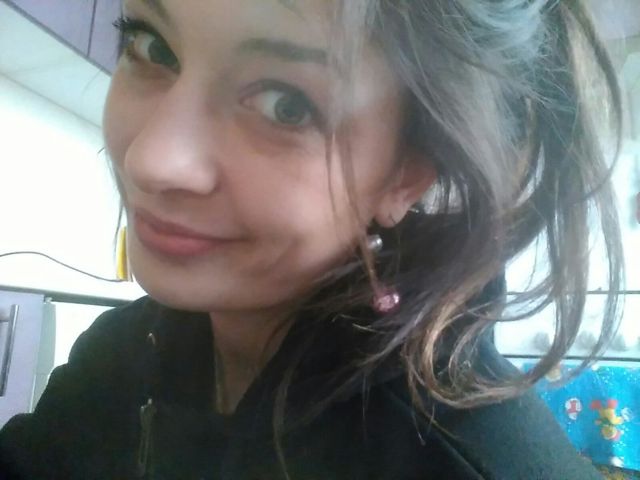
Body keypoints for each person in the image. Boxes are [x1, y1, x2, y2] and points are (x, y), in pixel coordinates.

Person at [0, 0, 625, 478]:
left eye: (285, 104)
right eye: (152, 46)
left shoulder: (465, 461)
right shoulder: (122, 353)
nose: (151, 160)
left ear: (406, 174)